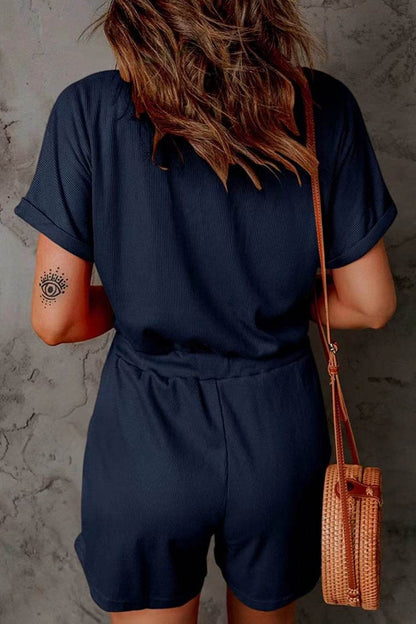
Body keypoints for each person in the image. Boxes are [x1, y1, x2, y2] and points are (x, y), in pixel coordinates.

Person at [14, 1, 398, 623]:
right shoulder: (321, 105)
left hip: (146, 439)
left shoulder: (87, 110)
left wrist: (136, 301)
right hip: (279, 437)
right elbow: (371, 303)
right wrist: (265, 298)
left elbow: (55, 318)